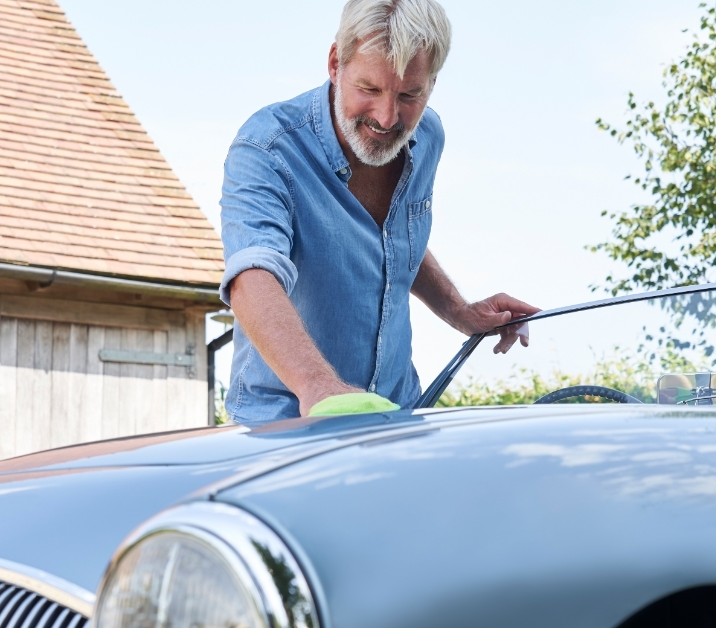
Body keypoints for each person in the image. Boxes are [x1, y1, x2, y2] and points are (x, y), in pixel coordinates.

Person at [218, 0, 539, 422]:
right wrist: (319, 388)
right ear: (336, 64)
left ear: (432, 84)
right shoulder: (267, 147)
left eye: (409, 94)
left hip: (396, 415)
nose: (388, 118)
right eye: (369, 89)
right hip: (288, 424)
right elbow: (252, 276)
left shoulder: (428, 137)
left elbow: (394, 237)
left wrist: (458, 310)